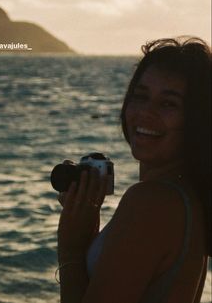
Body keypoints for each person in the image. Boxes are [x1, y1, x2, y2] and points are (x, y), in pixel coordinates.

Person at [56, 37, 211, 303]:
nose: (145, 113)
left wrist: (71, 249)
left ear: (196, 118)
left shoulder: (151, 202)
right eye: (140, 96)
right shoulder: (188, 196)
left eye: (168, 103)